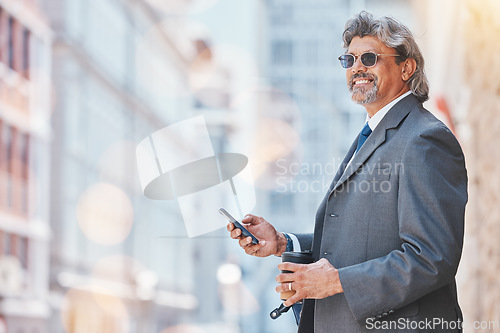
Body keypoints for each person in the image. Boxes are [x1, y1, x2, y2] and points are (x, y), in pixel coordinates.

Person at [227, 11, 467, 333]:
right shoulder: (375, 135)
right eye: (349, 59)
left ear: (406, 67)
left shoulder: (425, 140)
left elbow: (431, 258)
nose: (357, 68)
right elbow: (362, 242)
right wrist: (284, 243)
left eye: (369, 58)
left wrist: (336, 281)